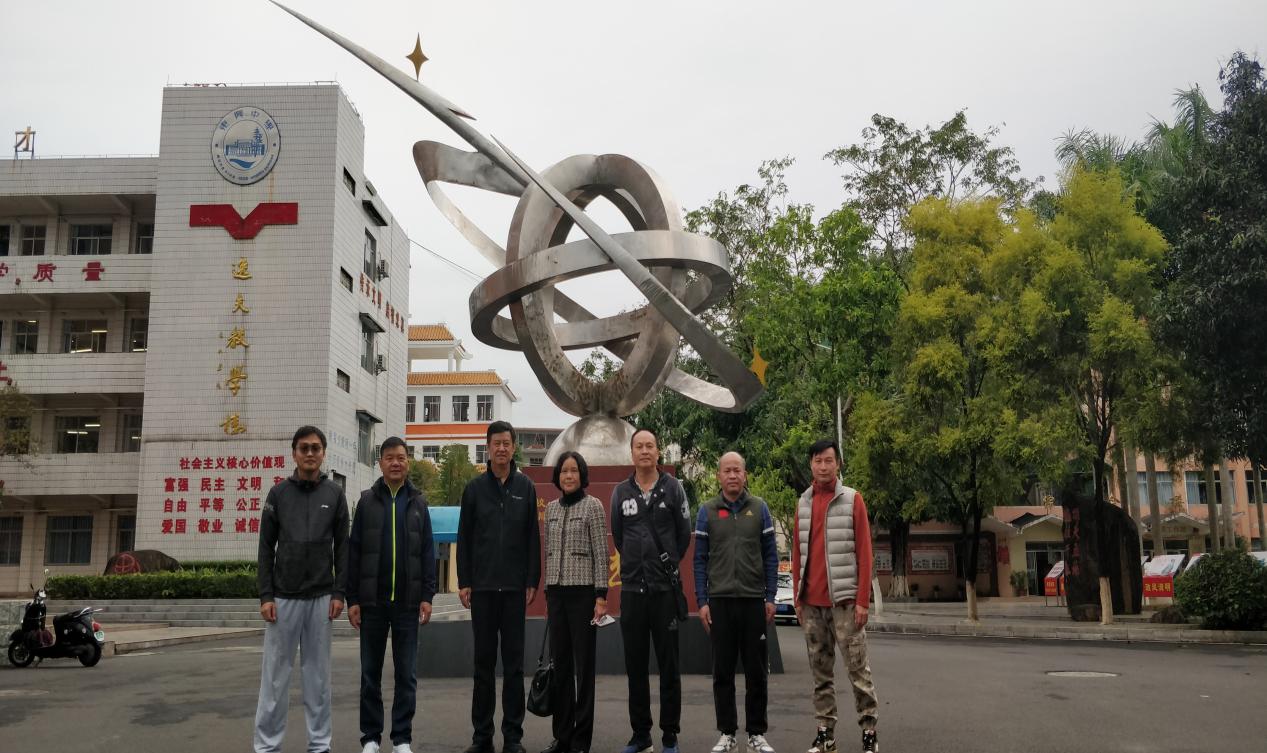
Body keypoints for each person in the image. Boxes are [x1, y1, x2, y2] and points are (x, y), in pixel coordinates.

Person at [254, 425, 349, 753]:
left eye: (315, 448)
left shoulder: (334, 494)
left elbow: (343, 547)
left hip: (321, 598)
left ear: (323, 454)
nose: (310, 453)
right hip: (283, 598)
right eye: (304, 448)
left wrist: (339, 592)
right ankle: (267, 746)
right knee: (275, 677)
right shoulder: (278, 494)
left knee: (318, 678)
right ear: (294, 453)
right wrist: (266, 595)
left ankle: (320, 745)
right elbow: (265, 548)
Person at [347, 436, 437, 753]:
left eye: (401, 457)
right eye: (390, 458)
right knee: (369, 674)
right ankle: (371, 737)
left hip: (408, 605)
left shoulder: (419, 503)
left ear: (407, 462)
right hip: (372, 603)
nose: (396, 463)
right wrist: (353, 599)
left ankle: (402, 738)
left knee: (406, 675)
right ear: (380, 463)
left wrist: (427, 596)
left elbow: (428, 552)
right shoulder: (367, 502)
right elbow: (354, 552)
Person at [458, 420, 541, 753]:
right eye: (497, 443)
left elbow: (532, 537)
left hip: (514, 591)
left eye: (507, 443)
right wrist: (465, 581)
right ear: (488, 447)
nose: (502, 448)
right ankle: (482, 737)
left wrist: (531, 580)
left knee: (514, 666)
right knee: (483, 665)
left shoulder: (525, 487)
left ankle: (513, 737)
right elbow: (465, 537)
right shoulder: (474, 489)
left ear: (514, 447)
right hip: (482, 589)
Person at [791, 440, 879, 753]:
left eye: (829, 460)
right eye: (818, 460)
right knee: (820, 674)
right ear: (811, 464)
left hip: (845, 604)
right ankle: (825, 734)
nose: (823, 466)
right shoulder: (803, 502)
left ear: (838, 463)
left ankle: (869, 732)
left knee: (858, 671)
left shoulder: (852, 499)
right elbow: (797, 552)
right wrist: (798, 598)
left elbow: (864, 553)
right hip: (812, 605)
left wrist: (862, 601)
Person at [611, 428, 690, 753]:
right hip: (632, 591)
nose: (645, 451)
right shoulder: (621, 492)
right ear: (631, 453)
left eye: (650, 446)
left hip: (663, 591)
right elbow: (619, 536)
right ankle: (640, 735)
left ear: (658, 452)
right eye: (639, 446)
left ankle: (670, 735)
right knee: (636, 667)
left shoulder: (673, 488)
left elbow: (683, 536)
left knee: (669, 667)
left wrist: (663, 562)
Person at [694, 452, 778, 753]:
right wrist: (702, 601)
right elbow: (699, 560)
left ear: (745, 475)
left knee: (757, 672)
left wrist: (771, 597)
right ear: (719, 476)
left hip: (753, 601)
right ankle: (727, 733)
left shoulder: (760, 508)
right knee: (723, 672)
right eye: (727, 471)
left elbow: (771, 556)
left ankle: (756, 733)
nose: (732, 475)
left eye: (737, 470)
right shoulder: (706, 511)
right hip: (720, 602)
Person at [540, 451, 609, 753]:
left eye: (574, 471)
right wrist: (548, 592)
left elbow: (601, 552)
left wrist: (601, 596)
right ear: (558, 476)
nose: (568, 476)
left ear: (582, 475)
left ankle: (582, 740)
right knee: (561, 667)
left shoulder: (593, 506)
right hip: (556, 594)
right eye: (564, 471)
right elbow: (548, 553)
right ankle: (562, 736)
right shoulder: (552, 509)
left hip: (583, 595)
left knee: (584, 668)